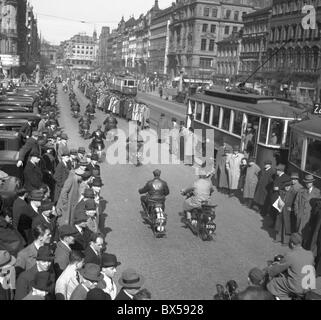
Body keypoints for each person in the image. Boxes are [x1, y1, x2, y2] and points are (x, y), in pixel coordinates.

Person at [266, 233, 315, 300]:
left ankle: (282, 298)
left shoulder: (291, 255)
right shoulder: (310, 254)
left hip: (297, 288)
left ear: (292, 244)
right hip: (309, 287)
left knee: (273, 283)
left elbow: (276, 270)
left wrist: (269, 270)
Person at [294, 174, 321, 249]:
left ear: (312, 182)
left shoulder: (317, 192)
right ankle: (297, 248)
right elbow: (296, 202)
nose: (307, 184)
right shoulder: (301, 191)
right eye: (306, 182)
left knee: (307, 235)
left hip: (309, 218)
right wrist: (297, 213)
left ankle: (303, 249)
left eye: (309, 182)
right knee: (298, 234)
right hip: (301, 216)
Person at [274, 181, 293, 245]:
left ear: (290, 187)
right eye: (286, 186)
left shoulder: (293, 194)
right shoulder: (281, 192)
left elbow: (295, 203)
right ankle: (278, 238)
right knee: (279, 224)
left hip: (287, 212)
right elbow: (278, 199)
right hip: (281, 210)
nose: (287, 187)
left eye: (288, 186)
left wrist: (292, 208)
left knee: (286, 226)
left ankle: (285, 241)